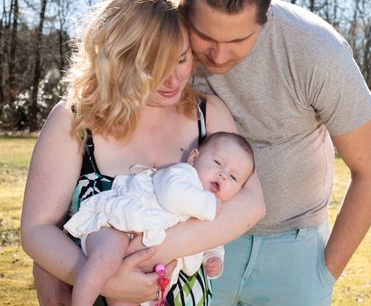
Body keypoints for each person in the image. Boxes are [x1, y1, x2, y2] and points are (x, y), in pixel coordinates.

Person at [20, 0, 265, 306]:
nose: (172, 78)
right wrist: (101, 277)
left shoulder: (208, 113)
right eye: (153, 65)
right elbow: (36, 230)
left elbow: (252, 204)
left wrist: (158, 250)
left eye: (180, 59)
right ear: (120, 58)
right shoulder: (76, 120)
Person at [180, 0, 371, 305]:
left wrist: (323, 273)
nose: (217, 55)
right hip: (196, 241)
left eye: (237, 39)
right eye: (203, 35)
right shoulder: (162, 38)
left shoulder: (318, 51)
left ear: (266, 16)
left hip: (295, 255)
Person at [63, 131, 256, 306]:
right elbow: (171, 194)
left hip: (147, 262)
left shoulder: (212, 209)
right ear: (194, 158)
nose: (223, 174)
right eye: (217, 163)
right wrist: (210, 206)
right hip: (117, 226)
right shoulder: (183, 175)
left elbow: (213, 239)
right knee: (105, 259)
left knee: (126, 296)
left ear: (237, 191)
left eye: (233, 177)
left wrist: (214, 257)